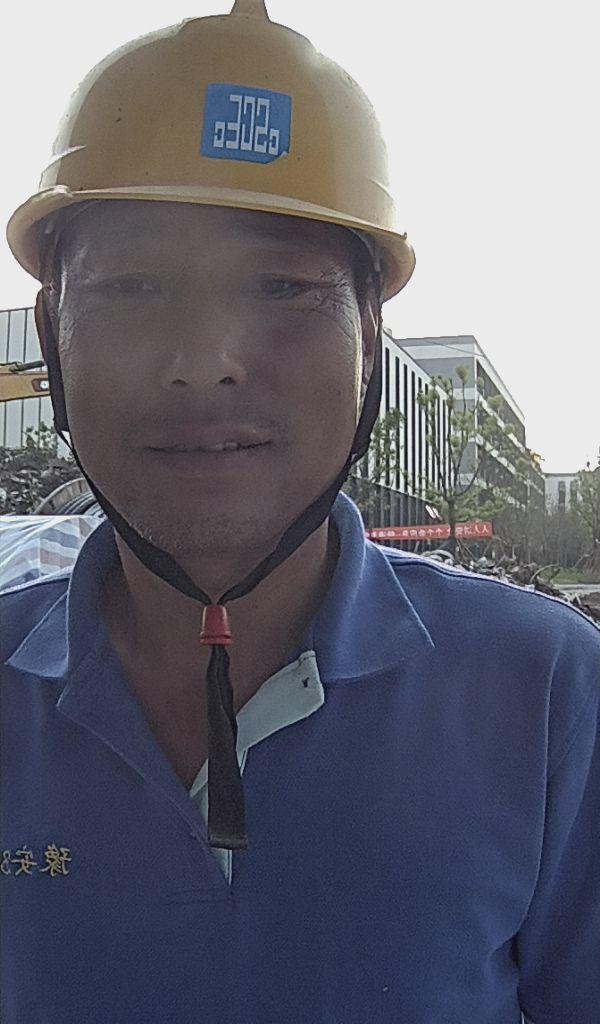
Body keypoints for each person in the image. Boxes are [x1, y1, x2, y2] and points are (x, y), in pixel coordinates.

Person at [1, 3, 598, 1022]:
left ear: (371, 336)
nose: (205, 363)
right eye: (134, 286)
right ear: (51, 337)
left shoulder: (546, 694)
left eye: (281, 286)